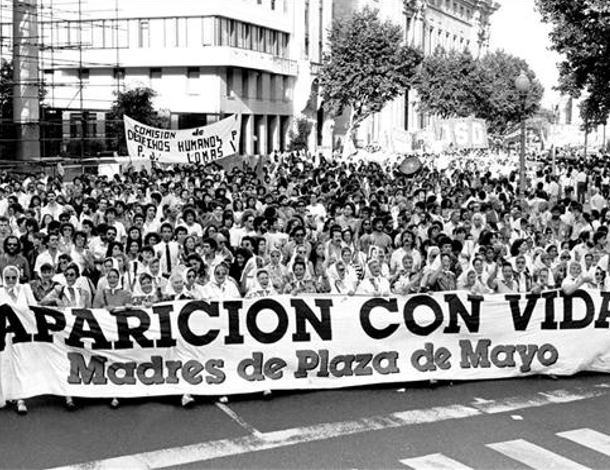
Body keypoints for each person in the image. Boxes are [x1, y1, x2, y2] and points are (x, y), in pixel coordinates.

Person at [0, 266, 37, 414]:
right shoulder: (0, 292)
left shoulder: (25, 289)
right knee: (5, 365)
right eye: (7, 278)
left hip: (22, 334)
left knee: (21, 364)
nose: (10, 280)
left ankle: (21, 399)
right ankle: (8, 395)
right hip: (4, 335)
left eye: (13, 277)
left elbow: (34, 308)